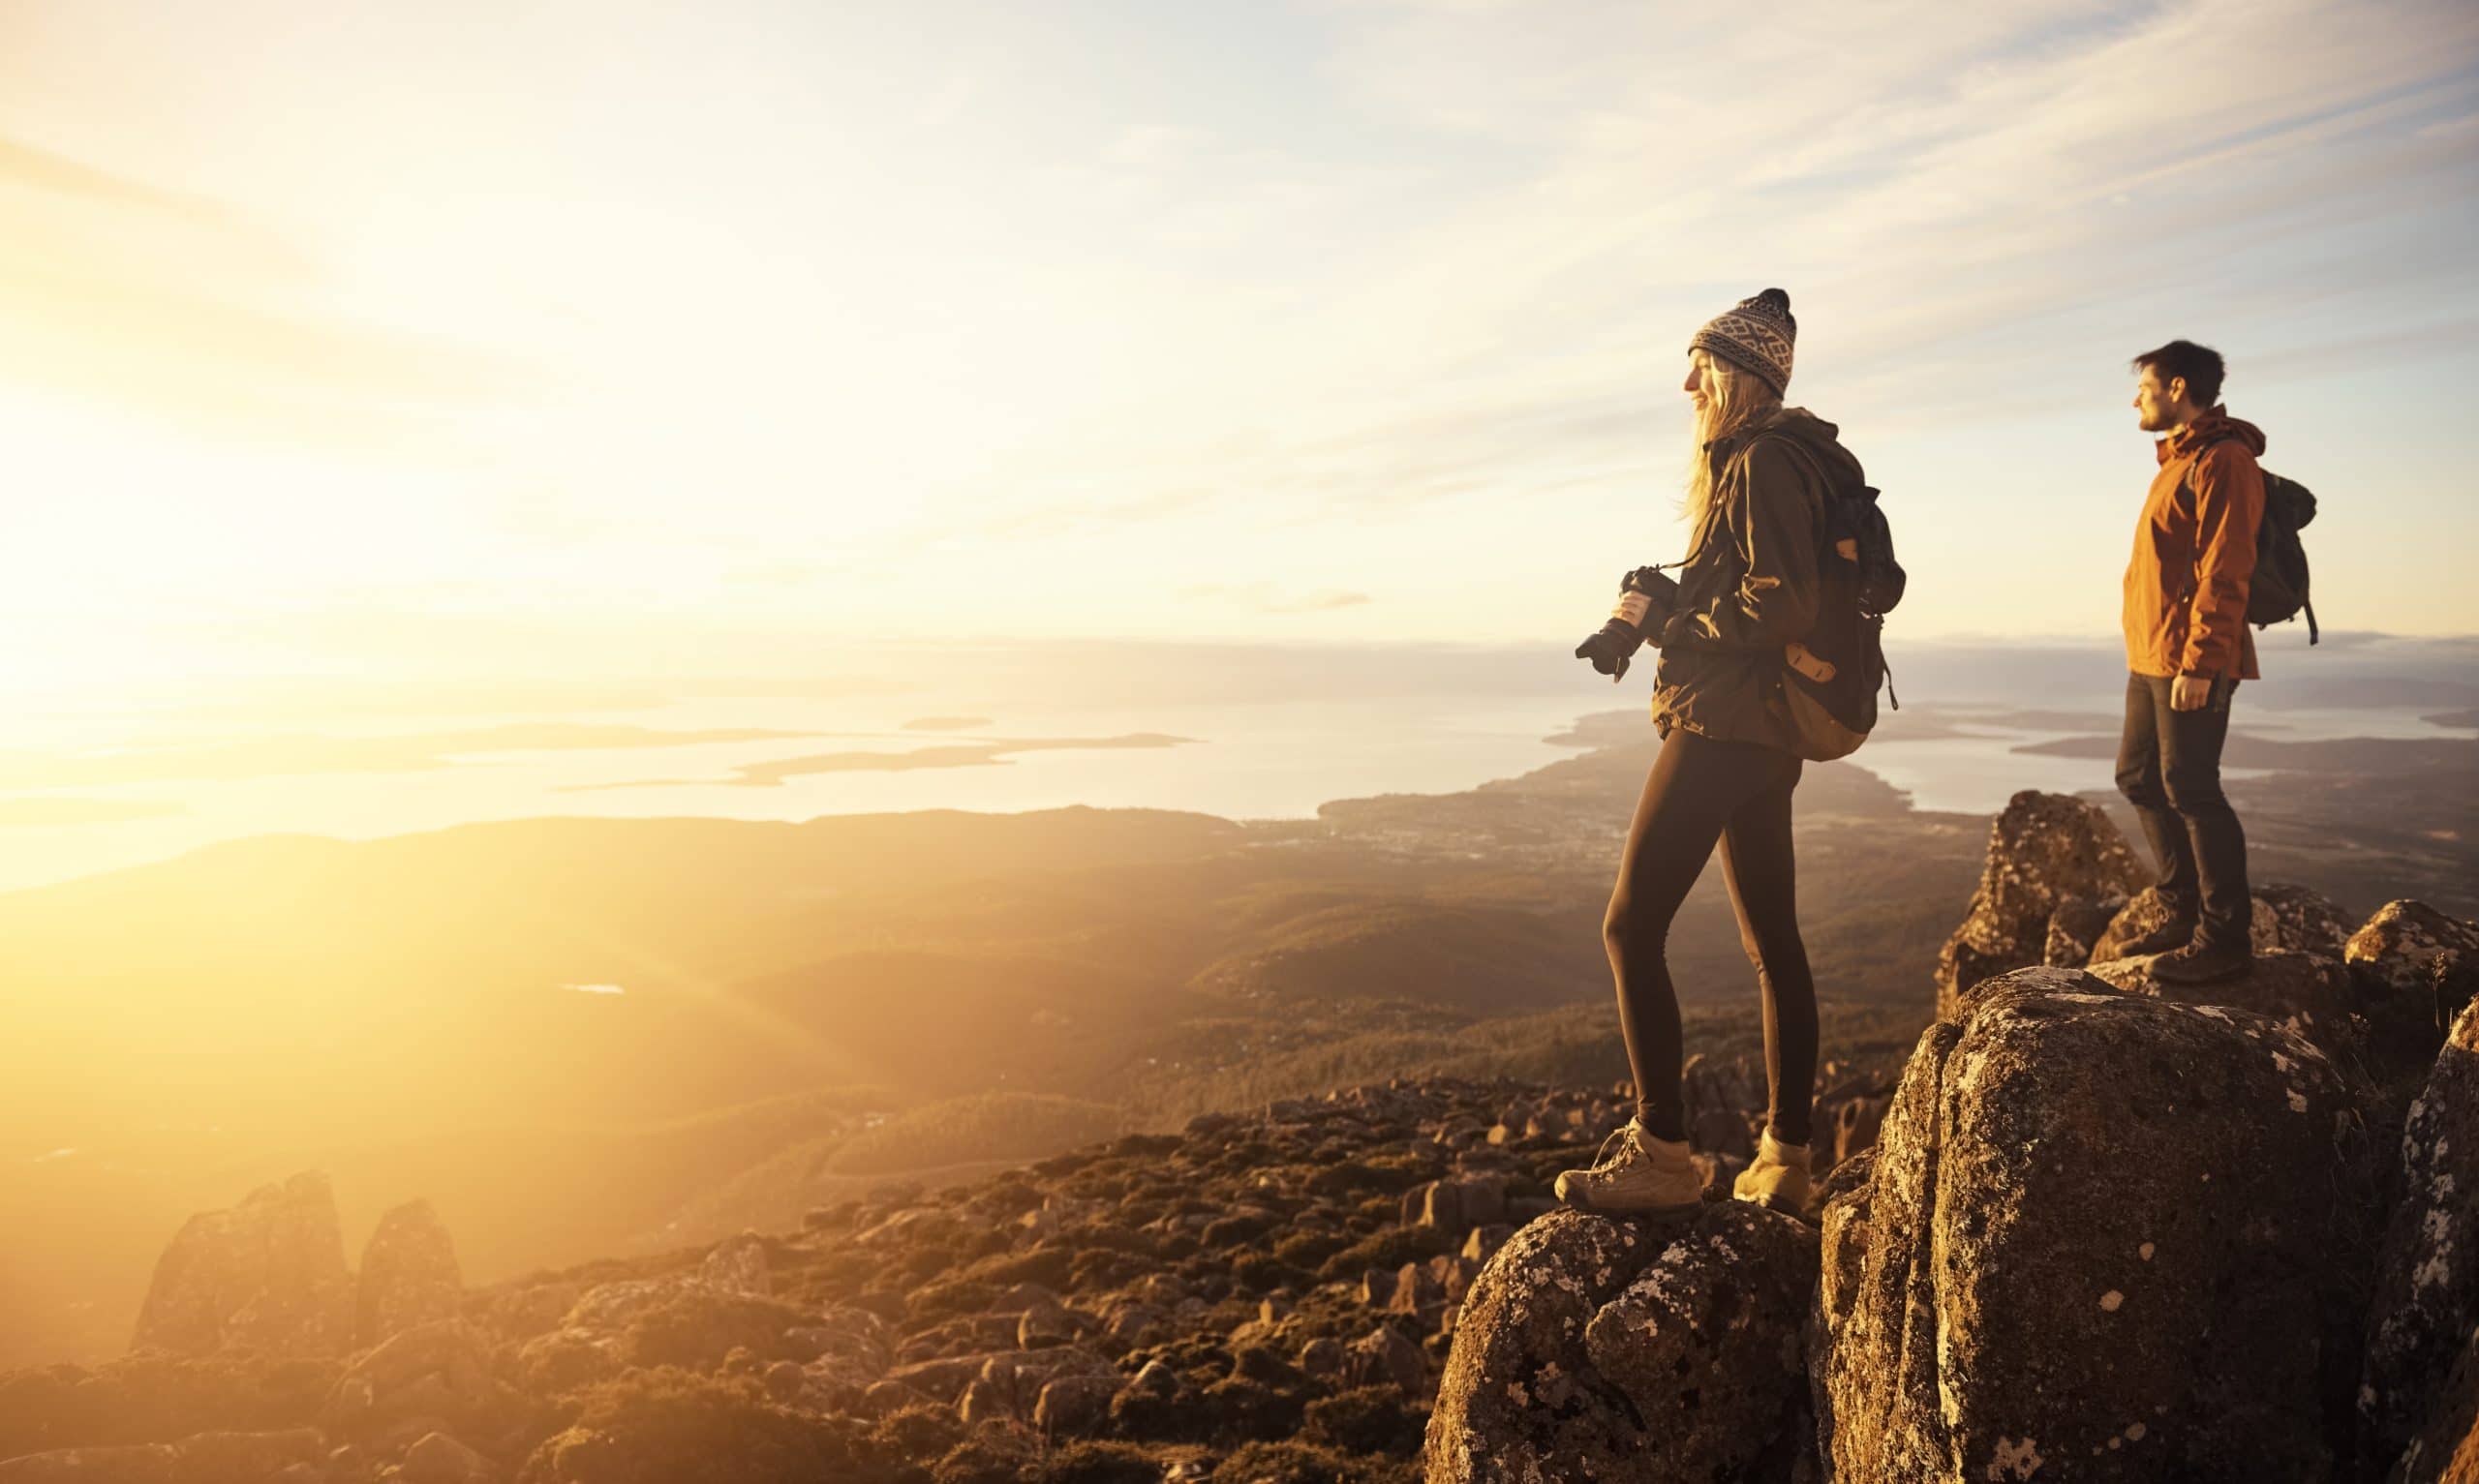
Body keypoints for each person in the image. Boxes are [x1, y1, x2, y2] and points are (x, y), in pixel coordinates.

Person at [1554, 288, 1865, 1219]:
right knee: (1773, 943)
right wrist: (1666, 593)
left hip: (1725, 725)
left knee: (1628, 926)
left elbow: (1783, 604)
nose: (1688, 382)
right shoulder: (1784, 457)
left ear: (1740, 375)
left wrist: (1678, 619)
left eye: (1703, 366)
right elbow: (1762, 586)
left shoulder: (1764, 458)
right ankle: (1786, 1159)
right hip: (1766, 731)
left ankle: (1661, 1153)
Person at [2113, 340, 2266, 985]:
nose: (2136, 398)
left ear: (2177, 387)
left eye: (2144, 386)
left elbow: (2226, 570)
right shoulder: (2174, 462)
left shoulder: (2224, 460)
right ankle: (2181, 910)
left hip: (2190, 659)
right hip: (2151, 655)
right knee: (2139, 776)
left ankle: (2224, 937)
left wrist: (2201, 664)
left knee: (2193, 788)